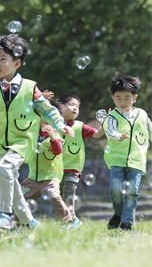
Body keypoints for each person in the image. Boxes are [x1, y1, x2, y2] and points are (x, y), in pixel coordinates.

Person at [0, 34, 74, 231]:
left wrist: (60, 124)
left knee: (3, 171)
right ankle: (30, 223)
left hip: (23, 141)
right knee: (10, 182)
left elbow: (48, 109)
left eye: (3, 59)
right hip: (1, 143)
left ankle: (5, 215)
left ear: (17, 62)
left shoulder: (29, 88)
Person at [102, 74, 151, 231]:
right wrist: (118, 136)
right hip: (117, 159)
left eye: (127, 98)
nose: (123, 102)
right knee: (115, 189)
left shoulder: (142, 115)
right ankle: (118, 214)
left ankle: (127, 222)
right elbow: (110, 132)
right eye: (118, 98)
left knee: (132, 191)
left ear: (134, 98)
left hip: (136, 160)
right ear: (113, 98)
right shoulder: (113, 116)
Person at [20, 114, 80, 229]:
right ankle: (19, 224)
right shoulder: (32, 133)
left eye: (52, 119)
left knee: (53, 195)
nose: (48, 121)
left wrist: (52, 138)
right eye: (45, 117)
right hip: (33, 177)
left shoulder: (57, 135)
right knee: (20, 197)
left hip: (50, 176)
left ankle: (68, 221)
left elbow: (58, 151)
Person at [56, 94, 105, 222]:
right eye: (71, 105)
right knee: (59, 197)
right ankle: (66, 221)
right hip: (55, 168)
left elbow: (98, 134)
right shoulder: (54, 125)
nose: (75, 108)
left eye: (77, 106)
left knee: (68, 194)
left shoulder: (80, 126)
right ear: (60, 107)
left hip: (73, 168)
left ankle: (72, 220)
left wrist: (106, 123)